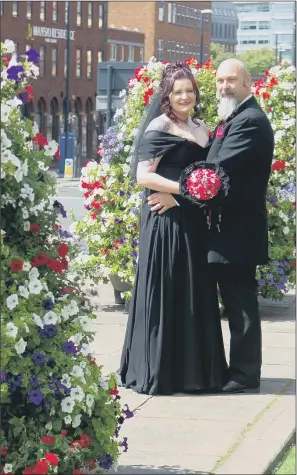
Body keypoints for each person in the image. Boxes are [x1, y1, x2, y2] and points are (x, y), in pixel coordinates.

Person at [149, 58, 274, 394]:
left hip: (238, 230)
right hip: (226, 229)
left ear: (248, 81)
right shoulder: (232, 117)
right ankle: (229, 370)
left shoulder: (249, 121)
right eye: (219, 81)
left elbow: (214, 172)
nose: (224, 87)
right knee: (233, 301)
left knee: (240, 302)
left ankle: (245, 374)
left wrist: (176, 197)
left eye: (231, 80)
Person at [119, 62, 227, 395]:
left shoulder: (202, 127)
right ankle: (162, 371)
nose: (184, 96)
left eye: (189, 91)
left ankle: (194, 373)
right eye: (178, 91)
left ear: (196, 94)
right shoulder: (160, 125)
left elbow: (208, 175)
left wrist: (184, 196)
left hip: (191, 220)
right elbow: (143, 176)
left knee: (194, 290)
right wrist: (183, 189)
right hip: (164, 223)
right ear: (167, 94)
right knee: (166, 289)